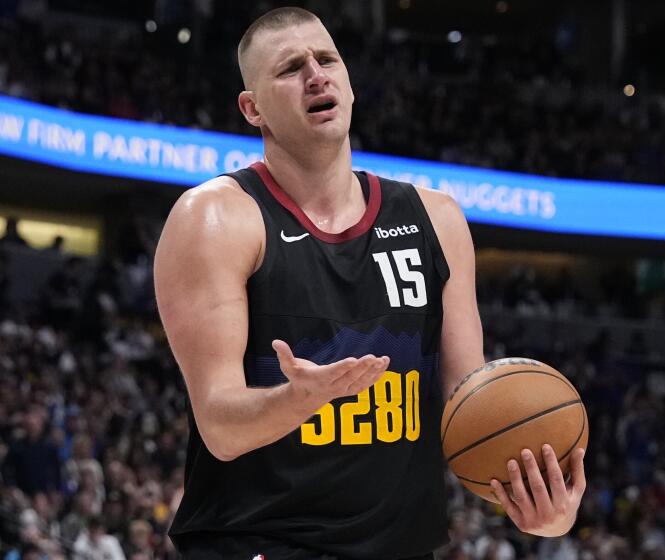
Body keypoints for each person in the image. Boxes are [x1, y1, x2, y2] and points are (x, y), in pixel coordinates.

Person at [153, 7, 586, 559]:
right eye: (290, 68)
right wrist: (299, 400)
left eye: (327, 59)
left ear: (350, 84)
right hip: (260, 543)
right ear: (251, 108)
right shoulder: (215, 219)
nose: (316, 75)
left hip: (403, 547)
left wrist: (540, 500)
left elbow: (467, 408)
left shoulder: (437, 219)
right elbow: (220, 425)